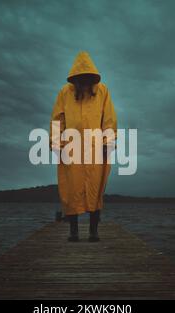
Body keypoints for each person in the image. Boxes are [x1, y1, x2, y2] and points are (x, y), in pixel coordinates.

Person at [49, 51, 117, 242]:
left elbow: (109, 118)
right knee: (72, 190)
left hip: (96, 148)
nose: (84, 82)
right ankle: (73, 231)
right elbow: (58, 119)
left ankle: (94, 231)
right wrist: (56, 143)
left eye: (87, 77)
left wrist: (108, 142)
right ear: (75, 78)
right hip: (71, 148)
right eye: (81, 78)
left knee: (95, 190)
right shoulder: (65, 92)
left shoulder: (102, 90)